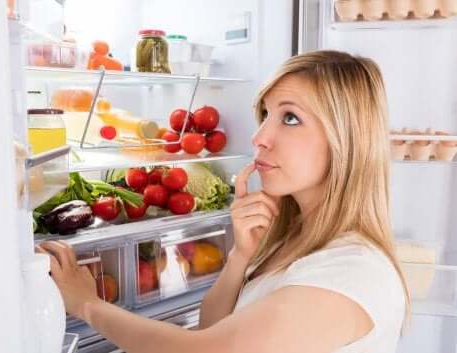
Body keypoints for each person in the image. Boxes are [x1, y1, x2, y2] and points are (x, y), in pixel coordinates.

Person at [37, 50, 408, 353]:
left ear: (347, 140)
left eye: (290, 118)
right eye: (266, 114)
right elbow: (212, 327)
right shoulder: (293, 240)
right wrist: (240, 259)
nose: (260, 137)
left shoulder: (355, 271)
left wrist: (88, 304)